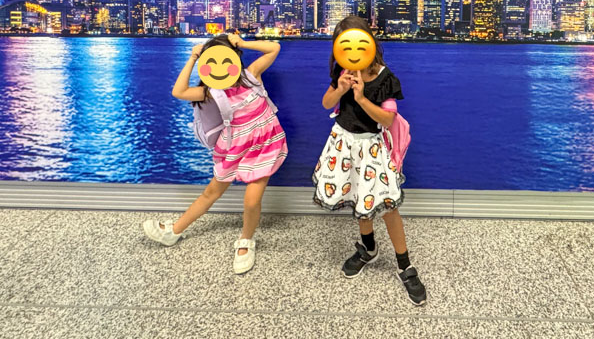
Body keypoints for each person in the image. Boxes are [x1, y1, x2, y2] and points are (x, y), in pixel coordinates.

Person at [143, 33, 286, 274]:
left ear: (234, 59)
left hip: (264, 145)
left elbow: (274, 48)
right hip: (236, 147)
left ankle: (246, 241)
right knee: (210, 192)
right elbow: (179, 91)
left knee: (252, 200)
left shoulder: (251, 76)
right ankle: (174, 231)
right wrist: (193, 57)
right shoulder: (212, 92)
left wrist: (240, 43)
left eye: (225, 59)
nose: (220, 67)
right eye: (212, 62)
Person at [311, 15, 426, 306]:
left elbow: (387, 119)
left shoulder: (385, 77)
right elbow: (326, 103)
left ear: (370, 44)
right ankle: (368, 248)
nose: (352, 53)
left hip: (371, 148)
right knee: (358, 199)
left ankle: (405, 265)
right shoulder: (342, 70)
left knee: (387, 207)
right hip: (342, 144)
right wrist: (340, 87)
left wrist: (361, 98)